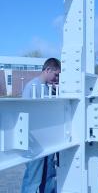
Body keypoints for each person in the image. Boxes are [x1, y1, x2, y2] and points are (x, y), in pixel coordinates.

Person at [21, 58, 61, 193]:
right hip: (34, 142)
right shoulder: (31, 86)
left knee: (49, 175)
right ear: (47, 70)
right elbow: (24, 114)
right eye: (56, 75)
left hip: (48, 141)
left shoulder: (50, 88)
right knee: (33, 177)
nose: (56, 78)